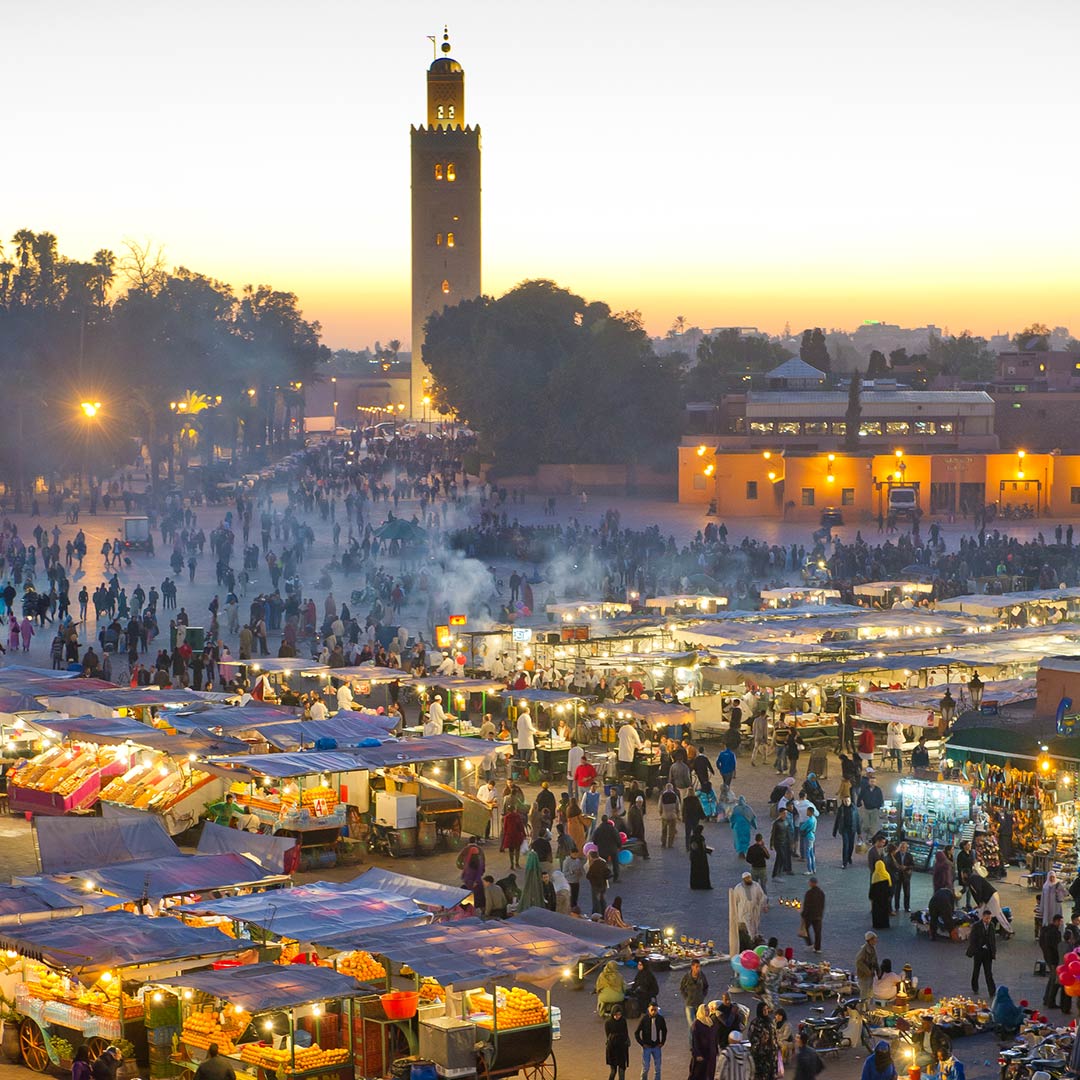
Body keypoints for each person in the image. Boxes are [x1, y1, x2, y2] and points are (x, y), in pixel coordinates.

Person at [968, 867, 1012, 932]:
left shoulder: (973, 879)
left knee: (998, 914)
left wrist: (979, 902)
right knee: (981, 913)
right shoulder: (973, 880)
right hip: (986, 898)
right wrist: (979, 903)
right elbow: (977, 892)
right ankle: (983, 930)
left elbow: (978, 891)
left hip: (991, 897)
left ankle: (1009, 930)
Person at [733, 871, 768, 945]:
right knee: (746, 925)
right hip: (743, 909)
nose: (748, 879)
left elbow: (762, 896)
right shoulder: (738, 888)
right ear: (743, 879)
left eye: (749, 878)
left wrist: (764, 905)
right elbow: (735, 900)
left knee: (754, 924)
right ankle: (749, 940)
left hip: (754, 909)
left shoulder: (756, 885)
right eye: (746, 878)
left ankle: (754, 938)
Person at [967, 909, 996, 995]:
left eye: (990, 918)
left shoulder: (992, 926)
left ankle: (992, 991)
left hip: (988, 953)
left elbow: (993, 940)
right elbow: (972, 939)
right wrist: (976, 947)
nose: (988, 920)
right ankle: (975, 987)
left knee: (988, 972)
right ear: (983, 917)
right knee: (976, 970)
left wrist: (993, 952)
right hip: (978, 952)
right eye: (987, 918)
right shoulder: (976, 926)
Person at [748, 1001, 780, 1080]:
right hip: (761, 1056)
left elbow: (774, 1035)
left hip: (771, 1055)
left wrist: (776, 1047)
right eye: (764, 1010)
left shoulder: (771, 1022)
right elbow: (751, 1037)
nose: (766, 1011)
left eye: (766, 1009)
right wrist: (761, 1041)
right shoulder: (755, 1023)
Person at [635, 1000, 667, 1080]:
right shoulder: (644, 1019)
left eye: (655, 1010)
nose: (653, 1012)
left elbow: (664, 1030)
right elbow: (637, 1033)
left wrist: (662, 1042)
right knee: (646, 1067)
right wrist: (642, 1044)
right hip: (647, 1047)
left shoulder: (660, 1019)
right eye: (652, 1010)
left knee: (658, 1068)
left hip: (656, 1046)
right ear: (648, 1009)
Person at [1040, 913, 1064, 1011]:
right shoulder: (1055, 933)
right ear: (1056, 921)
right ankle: (1050, 1001)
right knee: (1054, 980)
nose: (1061, 923)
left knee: (1051, 979)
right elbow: (1057, 947)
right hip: (1054, 959)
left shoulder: (1045, 931)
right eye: (1060, 921)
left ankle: (1046, 998)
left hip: (1048, 957)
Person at [688, 1004, 718, 1080]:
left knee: (710, 1074)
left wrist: (715, 1050)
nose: (707, 1011)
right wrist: (697, 1054)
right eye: (705, 1010)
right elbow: (695, 1040)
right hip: (702, 1055)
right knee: (699, 1075)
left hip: (711, 1054)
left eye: (708, 1010)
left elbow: (714, 1037)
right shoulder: (697, 1024)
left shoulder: (711, 1022)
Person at [679, 958, 709, 1031]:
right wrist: (686, 997)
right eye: (696, 967)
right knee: (692, 1027)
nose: (698, 969)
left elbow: (706, 986)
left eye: (699, 966)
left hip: (699, 1004)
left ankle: (699, 1041)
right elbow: (682, 988)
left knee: (700, 1025)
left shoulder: (702, 976)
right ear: (692, 967)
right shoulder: (687, 977)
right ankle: (692, 1042)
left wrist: (702, 995)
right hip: (690, 1004)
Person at [605, 1002, 631, 1080]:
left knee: (622, 1071)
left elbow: (626, 1033)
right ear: (612, 1014)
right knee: (613, 1071)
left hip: (622, 1048)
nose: (617, 1016)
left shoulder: (623, 1021)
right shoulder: (608, 1022)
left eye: (619, 1014)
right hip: (612, 1049)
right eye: (616, 1015)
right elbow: (608, 1036)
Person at [833, 796, 859, 868]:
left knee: (851, 845)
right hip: (844, 829)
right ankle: (844, 862)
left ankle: (849, 857)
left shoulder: (854, 809)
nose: (846, 802)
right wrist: (834, 831)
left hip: (852, 829)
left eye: (848, 801)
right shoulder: (841, 809)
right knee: (845, 845)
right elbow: (837, 820)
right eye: (845, 801)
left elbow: (857, 820)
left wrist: (859, 832)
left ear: (850, 801)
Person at [801, 876, 825, 952]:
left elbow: (807, 905)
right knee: (817, 932)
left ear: (811, 883)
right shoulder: (821, 893)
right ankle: (818, 948)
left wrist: (803, 914)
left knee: (805, 929)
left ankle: (810, 944)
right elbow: (822, 904)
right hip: (818, 916)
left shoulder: (809, 893)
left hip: (809, 916)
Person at [855, 932, 880, 1001]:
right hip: (864, 976)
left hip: (869, 975)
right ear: (870, 940)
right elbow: (859, 962)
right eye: (875, 939)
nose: (876, 941)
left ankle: (867, 1008)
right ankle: (862, 1009)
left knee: (869, 993)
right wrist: (868, 971)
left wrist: (878, 970)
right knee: (864, 994)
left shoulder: (872, 949)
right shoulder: (864, 950)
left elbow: (875, 961)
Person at [869, 859, 892, 929]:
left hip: (876, 900)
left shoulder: (875, 876)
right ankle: (885, 925)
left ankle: (877, 925)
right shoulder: (886, 875)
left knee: (876, 912)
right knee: (884, 912)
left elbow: (872, 888)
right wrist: (889, 896)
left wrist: (871, 897)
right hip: (884, 899)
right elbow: (889, 887)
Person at [892, 841, 914, 913]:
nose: (902, 849)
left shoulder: (909, 855)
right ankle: (896, 907)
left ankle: (907, 907)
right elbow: (892, 865)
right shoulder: (895, 855)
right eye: (901, 847)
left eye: (904, 847)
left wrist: (906, 867)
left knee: (907, 893)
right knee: (897, 892)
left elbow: (912, 865)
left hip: (906, 876)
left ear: (906, 848)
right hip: (897, 876)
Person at [689, 824, 712, 890]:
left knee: (697, 871)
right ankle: (703, 885)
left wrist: (707, 850)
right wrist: (704, 852)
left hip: (697, 857)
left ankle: (697, 885)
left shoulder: (695, 837)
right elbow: (696, 847)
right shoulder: (698, 838)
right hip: (699, 857)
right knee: (702, 871)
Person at [659, 783, 680, 850]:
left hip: (664, 815)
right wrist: (678, 813)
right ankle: (670, 844)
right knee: (672, 831)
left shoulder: (663, 795)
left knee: (664, 830)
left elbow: (660, 805)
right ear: (672, 788)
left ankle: (663, 843)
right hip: (672, 815)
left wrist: (660, 812)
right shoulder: (674, 795)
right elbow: (678, 805)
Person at [801, 805, 818, 874]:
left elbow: (802, 828)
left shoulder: (809, 820)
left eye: (807, 811)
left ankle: (809, 869)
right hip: (812, 836)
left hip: (808, 837)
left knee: (808, 853)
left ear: (810, 812)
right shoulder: (814, 819)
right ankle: (814, 868)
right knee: (811, 853)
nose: (806, 813)